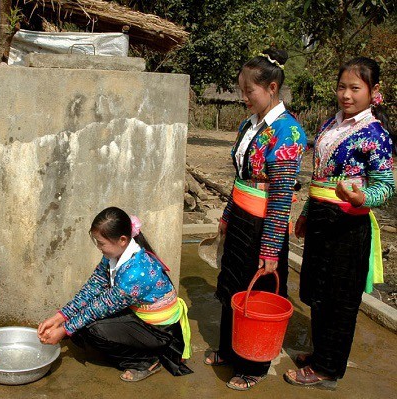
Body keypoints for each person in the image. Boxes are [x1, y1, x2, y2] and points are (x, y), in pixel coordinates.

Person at [284, 57, 395, 390]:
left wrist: (362, 198)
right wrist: (305, 212)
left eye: (355, 88)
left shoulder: (376, 134)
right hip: (321, 218)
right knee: (318, 291)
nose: (346, 95)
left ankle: (328, 369)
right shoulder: (330, 124)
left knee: (340, 299)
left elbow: (386, 185)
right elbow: (319, 177)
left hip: (348, 225)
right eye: (342, 87)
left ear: (373, 91)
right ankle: (321, 353)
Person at [204, 48, 307, 391]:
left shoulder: (288, 133)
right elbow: (241, 180)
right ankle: (230, 349)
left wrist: (270, 248)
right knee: (232, 284)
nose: (244, 97)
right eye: (242, 90)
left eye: (250, 91)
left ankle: (254, 364)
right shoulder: (249, 126)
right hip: (241, 219)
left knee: (257, 290)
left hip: (264, 226)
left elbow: (280, 198)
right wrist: (226, 215)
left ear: (273, 88)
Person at [37, 207, 192, 382]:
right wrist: (59, 317)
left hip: (160, 331)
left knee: (90, 328)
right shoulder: (115, 254)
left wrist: (64, 330)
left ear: (122, 240)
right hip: (139, 315)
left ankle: (146, 361)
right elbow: (94, 286)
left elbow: (99, 307)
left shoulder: (135, 273)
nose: (98, 247)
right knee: (80, 325)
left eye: (101, 243)